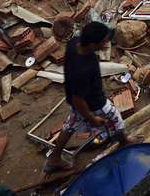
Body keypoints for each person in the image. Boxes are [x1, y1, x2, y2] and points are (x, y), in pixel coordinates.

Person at [46, 22, 139, 172]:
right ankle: (124, 142)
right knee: (115, 118)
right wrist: (91, 118)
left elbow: (75, 98)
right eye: (103, 41)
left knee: (69, 126)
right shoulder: (84, 68)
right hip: (94, 103)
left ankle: (54, 158)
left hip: (74, 97)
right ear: (92, 44)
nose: (106, 43)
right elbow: (79, 100)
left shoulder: (74, 42)